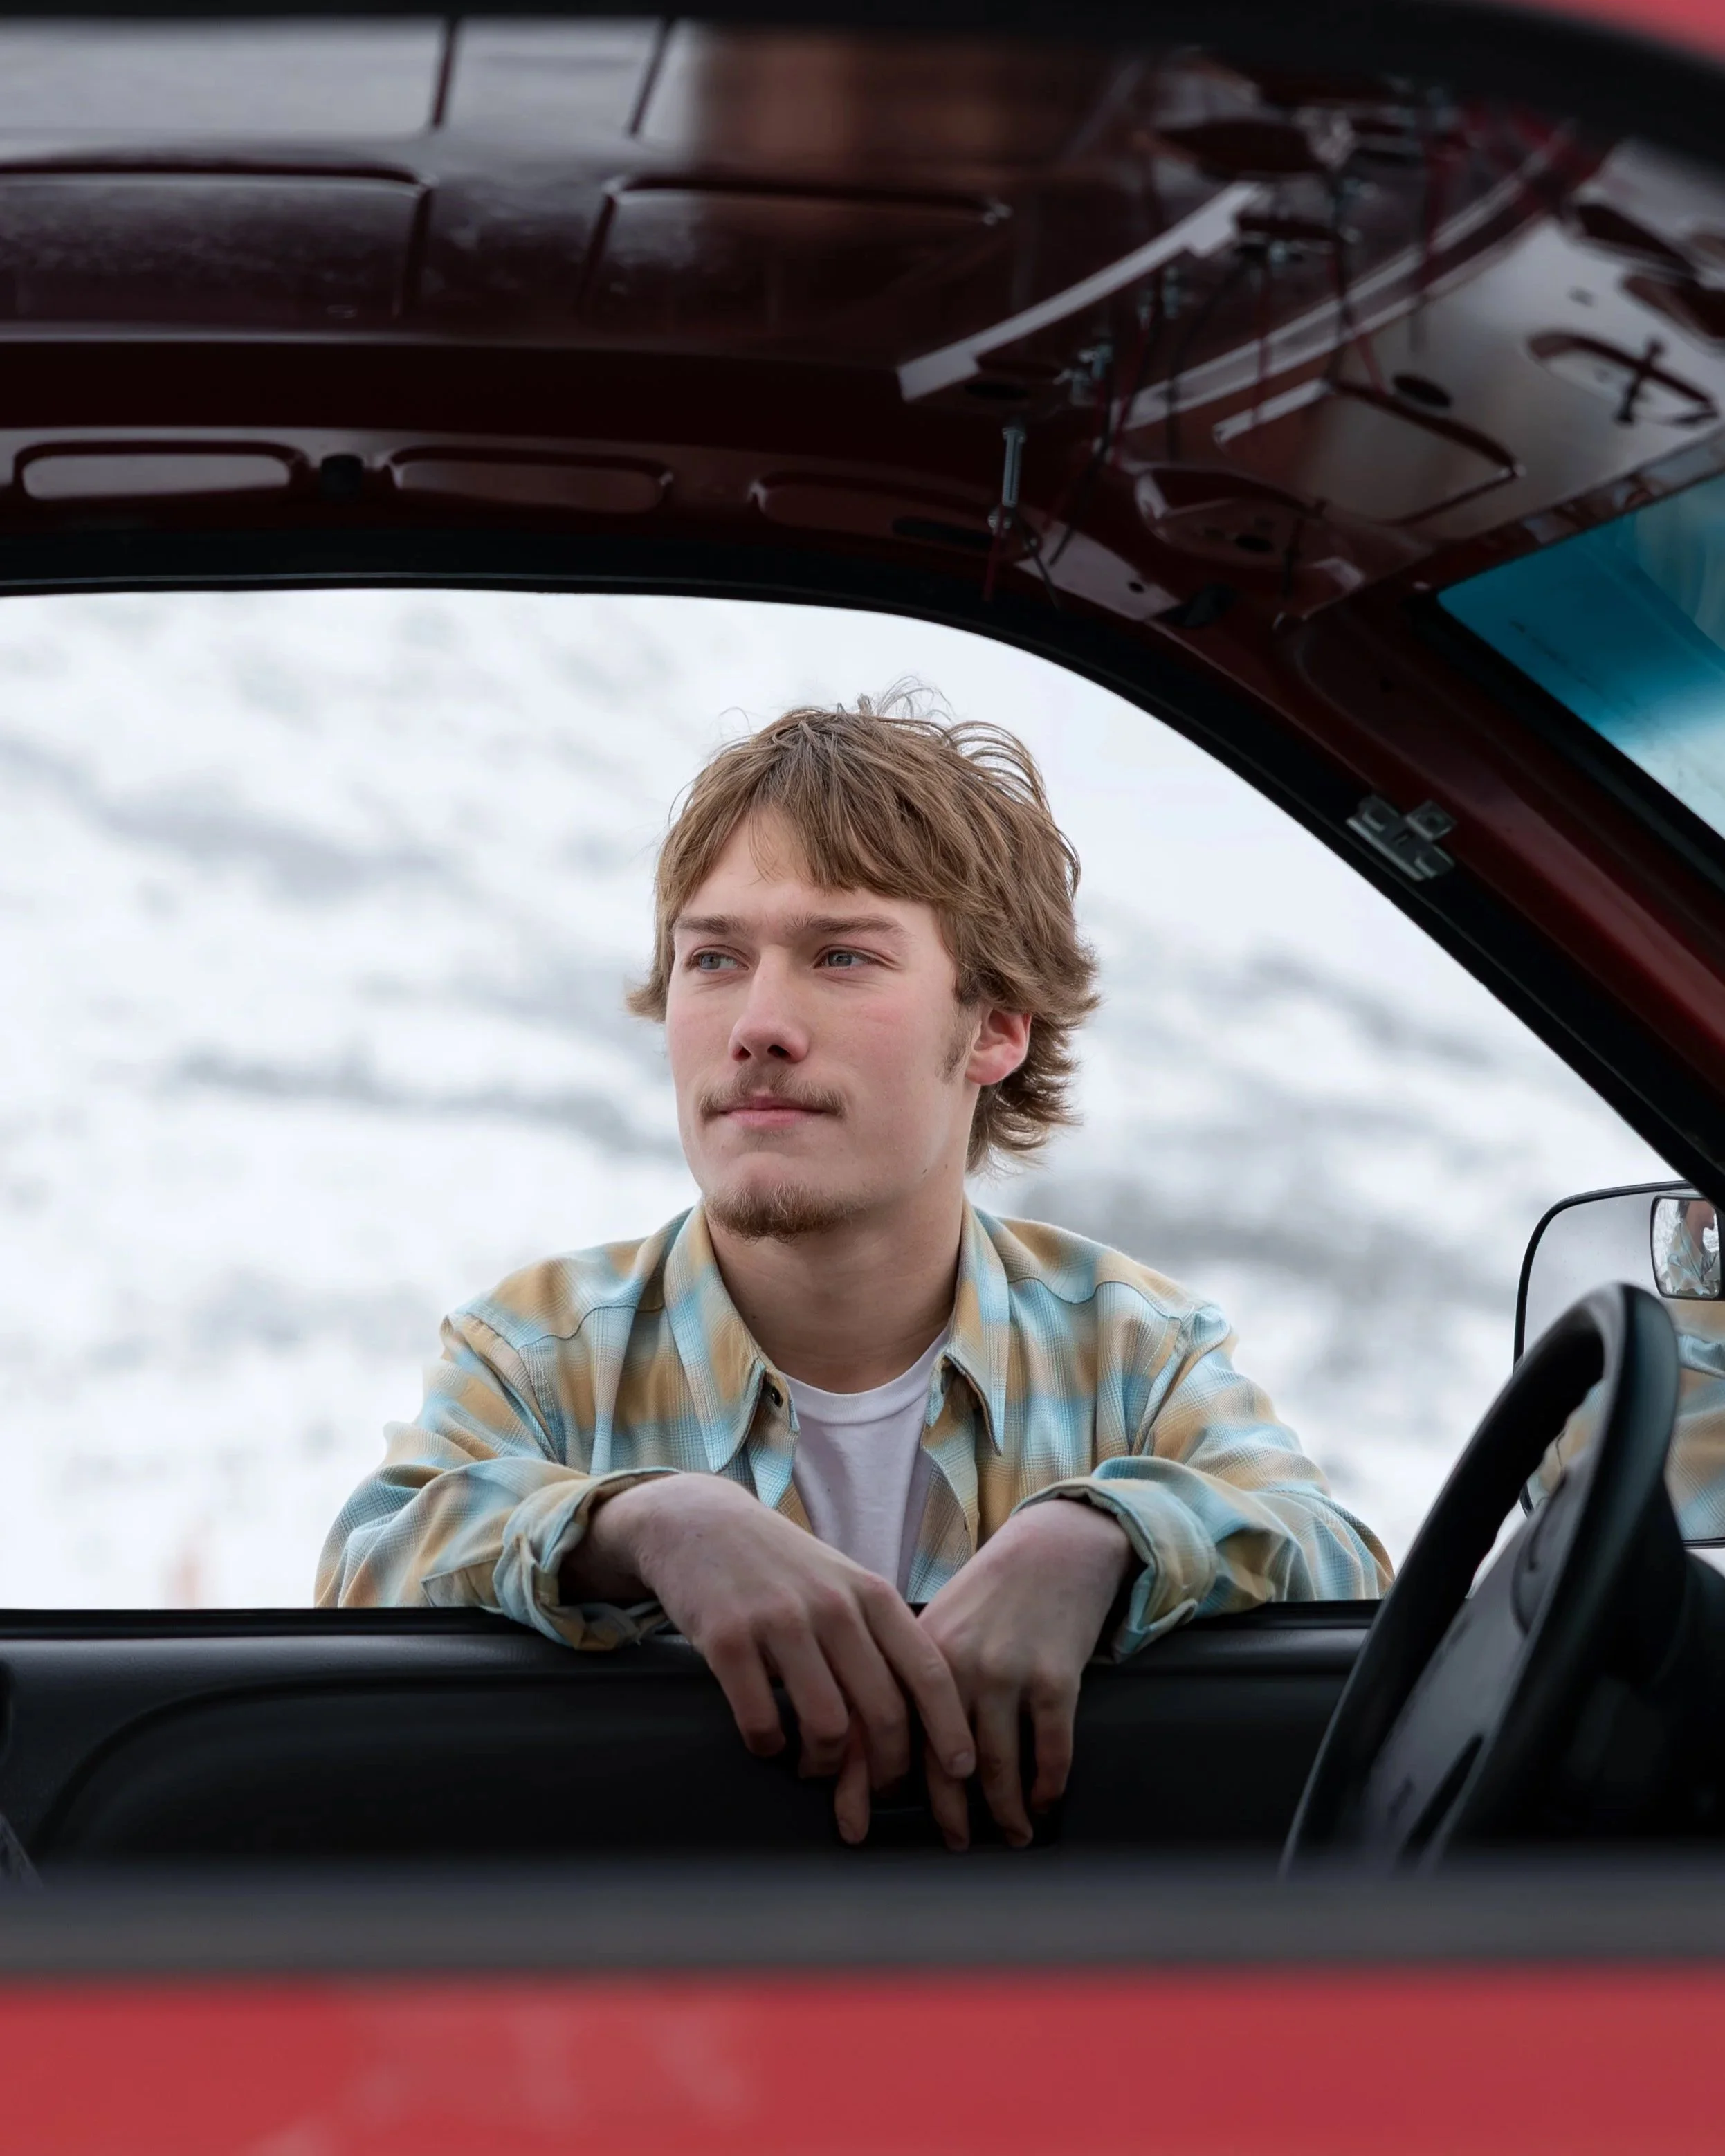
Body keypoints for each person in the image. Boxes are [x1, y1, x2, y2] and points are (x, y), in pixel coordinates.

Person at [318, 700, 1390, 1849]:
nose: (760, 1024)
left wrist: (1101, 1532)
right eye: (714, 959)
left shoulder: (1132, 1347)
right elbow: (369, 1570)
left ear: (995, 1029)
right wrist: (648, 1525)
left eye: (843, 957)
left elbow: (1339, 1568)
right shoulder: (540, 1354)